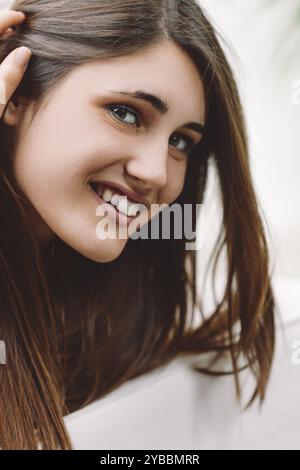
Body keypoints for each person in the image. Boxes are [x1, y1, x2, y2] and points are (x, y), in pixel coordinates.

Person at [0, 1, 276, 450]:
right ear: (17, 92)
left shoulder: (111, 335)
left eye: (181, 142)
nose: (157, 174)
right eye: (126, 113)